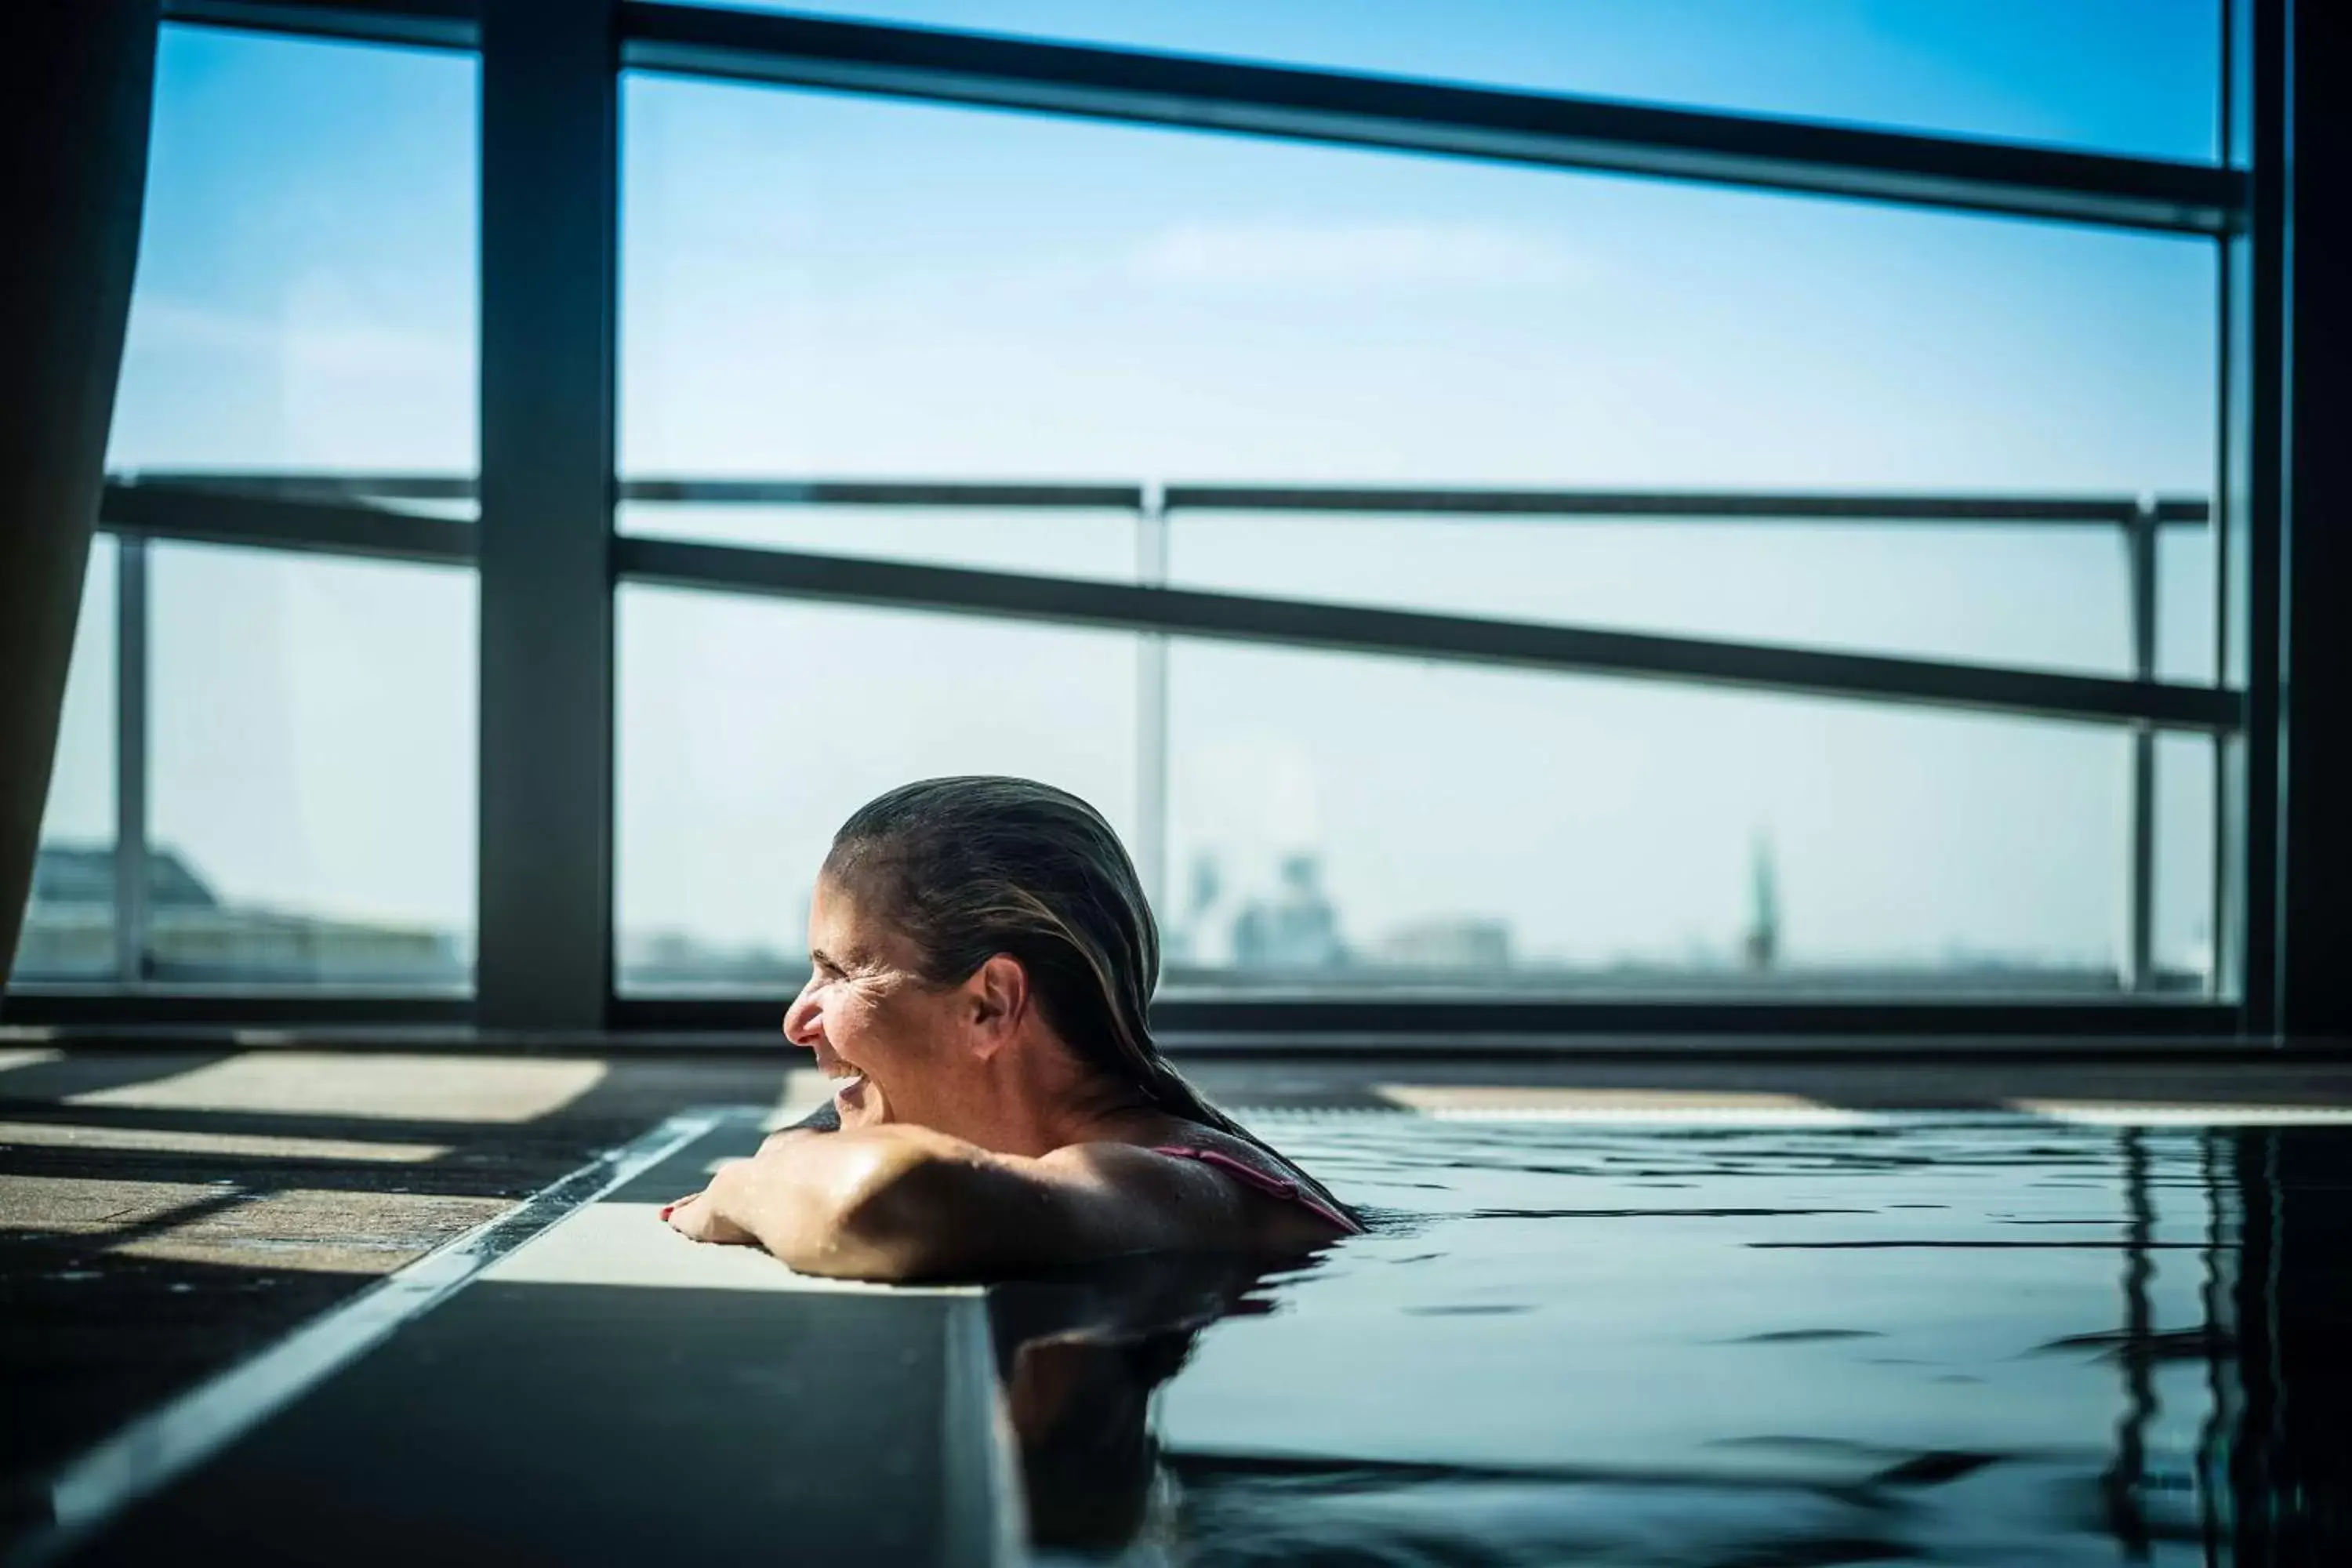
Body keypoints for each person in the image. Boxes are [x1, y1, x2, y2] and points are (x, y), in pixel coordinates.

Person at [662, 776, 1363, 1279]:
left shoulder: (1170, 1187)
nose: (796, 1021)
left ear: (991, 1005)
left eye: (839, 973)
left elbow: (883, 1204)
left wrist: (742, 1187)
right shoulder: (1099, 1167)